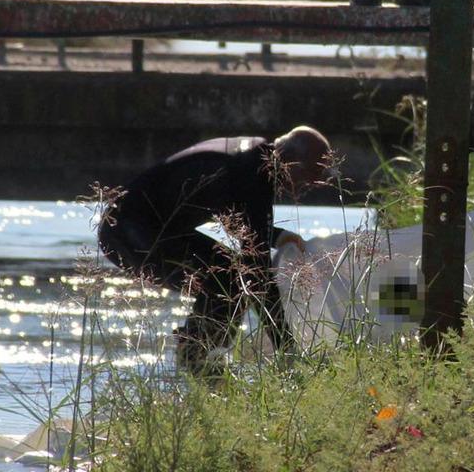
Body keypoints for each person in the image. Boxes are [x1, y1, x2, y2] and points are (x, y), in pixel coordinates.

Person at [98, 126, 332, 369]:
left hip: (150, 225)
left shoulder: (253, 157)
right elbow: (257, 272)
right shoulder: (254, 174)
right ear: (291, 162)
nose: (311, 185)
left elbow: (237, 220)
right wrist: (285, 346)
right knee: (230, 280)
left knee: (228, 276)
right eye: (312, 175)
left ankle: (201, 358)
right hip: (126, 228)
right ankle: (198, 360)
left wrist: (278, 236)